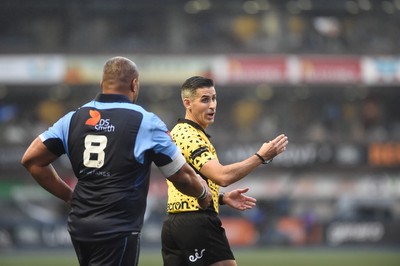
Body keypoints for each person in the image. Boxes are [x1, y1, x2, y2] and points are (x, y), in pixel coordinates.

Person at [21, 57, 212, 266]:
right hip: (117, 227)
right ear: (134, 84)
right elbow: (181, 176)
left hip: (80, 225)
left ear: (102, 83)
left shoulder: (73, 118)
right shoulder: (145, 122)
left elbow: (32, 160)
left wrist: (69, 196)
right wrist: (202, 193)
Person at [161, 76, 289, 266]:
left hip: (175, 224)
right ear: (187, 103)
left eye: (214, 98)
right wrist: (261, 156)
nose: (212, 105)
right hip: (197, 223)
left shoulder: (181, 132)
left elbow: (185, 184)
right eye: (205, 99)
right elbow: (222, 176)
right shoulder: (189, 135)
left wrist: (220, 198)